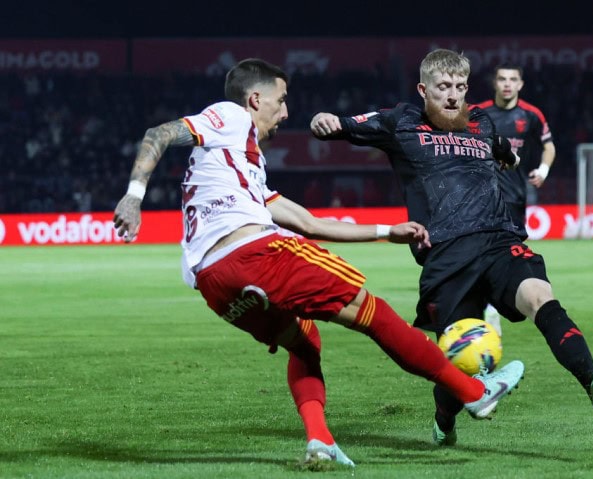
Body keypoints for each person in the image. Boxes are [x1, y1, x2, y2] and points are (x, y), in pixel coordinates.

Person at [112, 58, 525, 468]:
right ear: (256, 99)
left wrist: (387, 231)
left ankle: (320, 440)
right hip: (256, 254)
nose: (286, 111)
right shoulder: (231, 116)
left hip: (215, 283)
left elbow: (309, 223)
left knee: (304, 341)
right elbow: (159, 133)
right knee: (373, 312)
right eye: (281, 100)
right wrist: (133, 196)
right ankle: (473, 393)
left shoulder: (240, 172)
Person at [310, 49, 593, 447]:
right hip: (446, 255)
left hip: (499, 239)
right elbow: (339, 124)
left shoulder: (478, 121)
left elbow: (502, 148)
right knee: (455, 354)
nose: (453, 96)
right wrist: (324, 122)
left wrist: (510, 156)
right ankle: (445, 420)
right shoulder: (400, 121)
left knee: (540, 296)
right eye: (444, 87)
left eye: (460, 87)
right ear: (423, 89)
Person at [472, 64, 556, 336]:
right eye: (502, 79)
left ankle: (498, 304)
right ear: (494, 83)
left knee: (511, 254)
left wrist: (543, 169)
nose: (507, 84)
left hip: (515, 197)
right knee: (479, 251)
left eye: (513, 79)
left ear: (521, 84)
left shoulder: (531, 115)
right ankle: (484, 308)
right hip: (482, 195)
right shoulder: (478, 113)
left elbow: (549, 146)